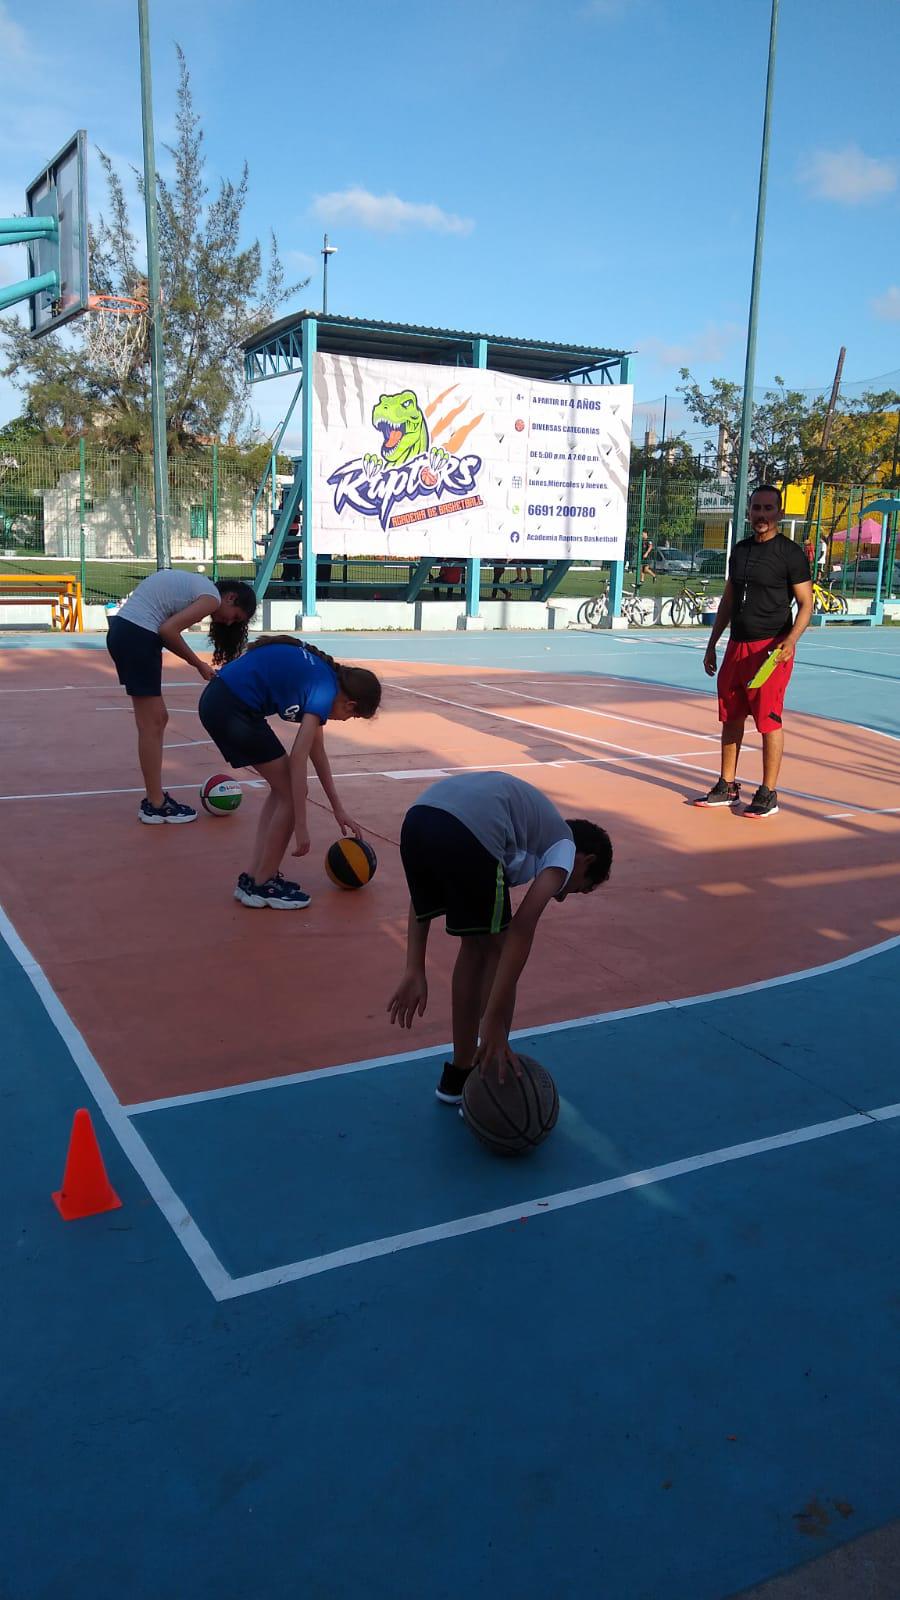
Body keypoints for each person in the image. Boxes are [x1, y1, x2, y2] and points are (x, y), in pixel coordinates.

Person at [387, 772, 612, 1096]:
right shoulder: (562, 845)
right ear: (585, 860)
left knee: (477, 945)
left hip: (418, 821)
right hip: (470, 828)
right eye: (581, 888)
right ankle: (492, 1059)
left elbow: (422, 900)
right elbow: (521, 929)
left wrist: (414, 968)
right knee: (496, 948)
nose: (567, 894)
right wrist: (493, 1020)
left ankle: (458, 1075)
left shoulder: (519, 845)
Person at [198, 636, 381, 908]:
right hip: (232, 708)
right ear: (350, 705)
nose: (345, 721)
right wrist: (301, 826)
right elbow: (298, 757)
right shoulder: (323, 690)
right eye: (351, 717)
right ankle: (263, 884)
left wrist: (338, 808)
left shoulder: (324, 678)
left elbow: (316, 752)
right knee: (291, 791)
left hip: (222, 701)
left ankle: (254, 877)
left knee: (283, 789)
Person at [697, 484, 813, 819]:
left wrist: (790, 641)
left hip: (771, 650)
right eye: (756, 508)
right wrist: (713, 643)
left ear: (778, 512)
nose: (761, 515)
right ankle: (728, 785)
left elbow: (806, 604)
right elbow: (729, 600)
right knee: (731, 717)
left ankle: (768, 792)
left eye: (768, 508)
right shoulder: (741, 551)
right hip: (737, 646)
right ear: (749, 511)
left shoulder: (790, 553)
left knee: (768, 720)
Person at [107, 569, 257, 824]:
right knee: (152, 723)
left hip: (130, 633)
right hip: (137, 636)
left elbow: (165, 628)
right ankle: (155, 804)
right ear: (230, 598)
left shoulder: (200, 588)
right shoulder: (210, 597)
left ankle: (154, 800)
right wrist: (198, 664)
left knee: (155, 720)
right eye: (235, 617)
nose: (229, 623)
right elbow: (168, 630)